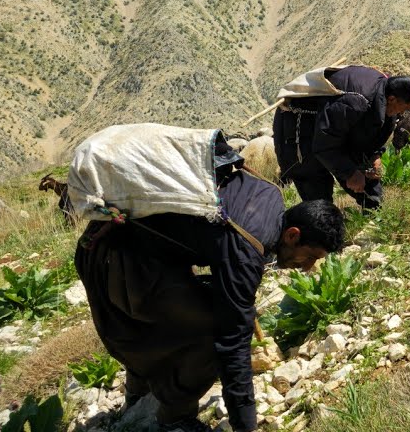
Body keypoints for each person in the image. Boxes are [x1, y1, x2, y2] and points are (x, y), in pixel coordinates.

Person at [75, 149, 344, 432]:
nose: (308, 267)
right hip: (115, 260)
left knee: (191, 309)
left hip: (123, 245)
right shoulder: (246, 249)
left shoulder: (271, 196)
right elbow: (233, 343)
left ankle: (140, 389)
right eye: (310, 256)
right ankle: (175, 417)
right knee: (213, 327)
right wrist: (246, 425)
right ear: (292, 235)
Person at [273, 67, 410, 209]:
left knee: (371, 192)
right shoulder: (356, 102)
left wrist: (375, 155)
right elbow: (324, 143)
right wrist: (350, 173)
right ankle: (323, 222)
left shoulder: (386, 102)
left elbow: (374, 133)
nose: (403, 113)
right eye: (405, 108)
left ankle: (374, 214)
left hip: (336, 127)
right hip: (300, 128)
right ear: (392, 99)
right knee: (317, 194)